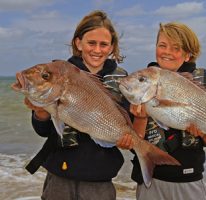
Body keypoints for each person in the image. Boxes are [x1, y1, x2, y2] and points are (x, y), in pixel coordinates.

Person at [24, 10, 132, 200]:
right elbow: (43, 130)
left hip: (100, 180)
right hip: (60, 177)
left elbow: (128, 123)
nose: (97, 50)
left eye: (103, 44)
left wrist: (129, 140)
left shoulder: (123, 80)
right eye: (91, 43)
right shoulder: (59, 73)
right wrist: (40, 113)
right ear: (78, 43)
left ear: (112, 47)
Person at [128, 22, 206, 200]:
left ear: (187, 55)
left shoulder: (200, 87)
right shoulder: (142, 83)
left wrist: (200, 132)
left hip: (189, 181)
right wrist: (140, 118)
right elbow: (134, 143)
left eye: (176, 48)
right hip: (151, 181)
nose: (167, 52)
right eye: (162, 45)